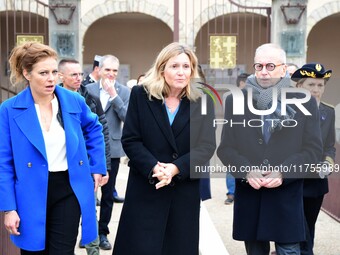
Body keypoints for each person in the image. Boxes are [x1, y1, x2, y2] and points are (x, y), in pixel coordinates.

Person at [0, 42, 106, 254]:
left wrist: (97, 166)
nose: (51, 78)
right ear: (26, 73)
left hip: (69, 187)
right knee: (34, 250)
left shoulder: (73, 100)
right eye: (43, 73)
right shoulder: (9, 110)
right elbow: (4, 162)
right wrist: (9, 208)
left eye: (54, 72)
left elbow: (95, 129)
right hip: (30, 192)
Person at [217, 43, 323, 255]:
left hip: (286, 197)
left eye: (270, 66)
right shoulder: (234, 101)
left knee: (290, 251)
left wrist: (284, 172)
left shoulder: (306, 102)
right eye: (259, 66)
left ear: (284, 69)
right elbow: (226, 149)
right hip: (251, 197)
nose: (263, 72)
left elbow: (313, 151)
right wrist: (246, 170)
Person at [113, 42, 216, 255]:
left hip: (183, 189)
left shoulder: (203, 98)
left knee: (177, 246)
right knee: (140, 246)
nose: (181, 72)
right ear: (162, 69)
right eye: (174, 66)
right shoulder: (141, 95)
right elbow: (131, 139)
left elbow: (206, 146)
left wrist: (176, 168)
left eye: (186, 67)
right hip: (146, 185)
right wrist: (154, 167)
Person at [58, 58, 113, 255]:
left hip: (87, 163)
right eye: (74, 74)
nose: (79, 78)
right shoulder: (52, 99)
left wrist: (102, 166)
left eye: (80, 74)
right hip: (63, 166)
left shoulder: (90, 98)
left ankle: (93, 248)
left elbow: (102, 132)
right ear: (61, 76)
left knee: (90, 209)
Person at [86, 54, 130, 250]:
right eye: (107, 70)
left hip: (112, 150)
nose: (111, 74)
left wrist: (114, 95)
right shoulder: (88, 90)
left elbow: (128, 118)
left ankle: (103, 232)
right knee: (88, 193)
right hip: (89, 149)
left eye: (115, 70)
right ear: (99, 70)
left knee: (107, 195)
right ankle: (88, 232)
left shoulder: (124, 92)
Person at [291, 63, 335, 255]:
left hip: (316, 181)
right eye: (311, 85)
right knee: (297, 229)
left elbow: (329, 146)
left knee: (309, 225)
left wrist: (327, 163)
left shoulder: (328, 111)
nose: (316, 90)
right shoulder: (288, 110)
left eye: (320, 85)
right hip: (293, 179)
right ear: (299, 86)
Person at [222, 72, 250, 205]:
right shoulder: (231, 98)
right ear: (241, 84)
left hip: (247, 142)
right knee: (232, 167)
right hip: (234, 139)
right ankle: (231, 193)